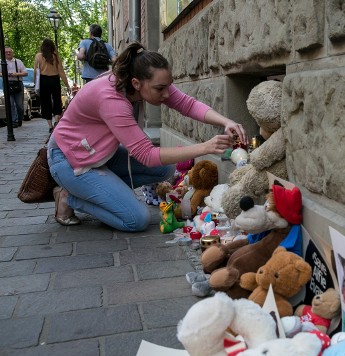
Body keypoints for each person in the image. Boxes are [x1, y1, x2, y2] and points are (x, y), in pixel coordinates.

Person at [47, 42, 247, 230]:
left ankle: (105, 193)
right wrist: (206, 147)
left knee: (166, 168)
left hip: (98, 154)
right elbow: (146, 155)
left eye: (168, 86)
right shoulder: (111, 98)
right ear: (136, 83)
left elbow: (187, 104)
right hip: (70, 160)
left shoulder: (140, 82)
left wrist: (226, 121)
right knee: (137, 220)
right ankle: (69, 197)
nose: (167, 94)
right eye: (160, 89)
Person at [34, 39, 71, 133]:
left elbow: (36, 71)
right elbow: (61, 71)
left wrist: (36, 83)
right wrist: (67, 84)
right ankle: (57, 121)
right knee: (57, 100)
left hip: (43, 80)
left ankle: (50, 125)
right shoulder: (55, 57)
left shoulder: (38, 56)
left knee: (46, 102)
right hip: (54, 79)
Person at [4, 47, 27, 127]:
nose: (8, 53)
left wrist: (16, 74)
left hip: (18, 84)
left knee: (19, 105)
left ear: (12, 53)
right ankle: (14, 121)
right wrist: (6, 74)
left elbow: (25, 73)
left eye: (10, 52)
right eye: (6, 52)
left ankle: (20, 119)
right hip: (7, 84)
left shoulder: (18, 62)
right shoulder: (2, 62)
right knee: (10, 104)